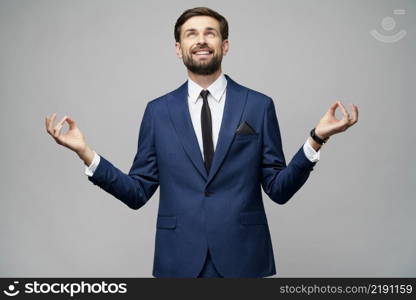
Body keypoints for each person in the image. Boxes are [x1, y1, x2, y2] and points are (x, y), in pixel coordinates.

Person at [45, 7, 358, 278]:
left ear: (224, 45)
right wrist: (85, 153)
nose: (201, 40)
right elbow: (137, 192)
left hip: (244, 259)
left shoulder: (258, 106)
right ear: (178, 48)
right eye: (191, 34)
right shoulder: (158, 111)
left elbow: (279, 189)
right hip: (178, 261)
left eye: (210, 33)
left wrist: (317, 138)